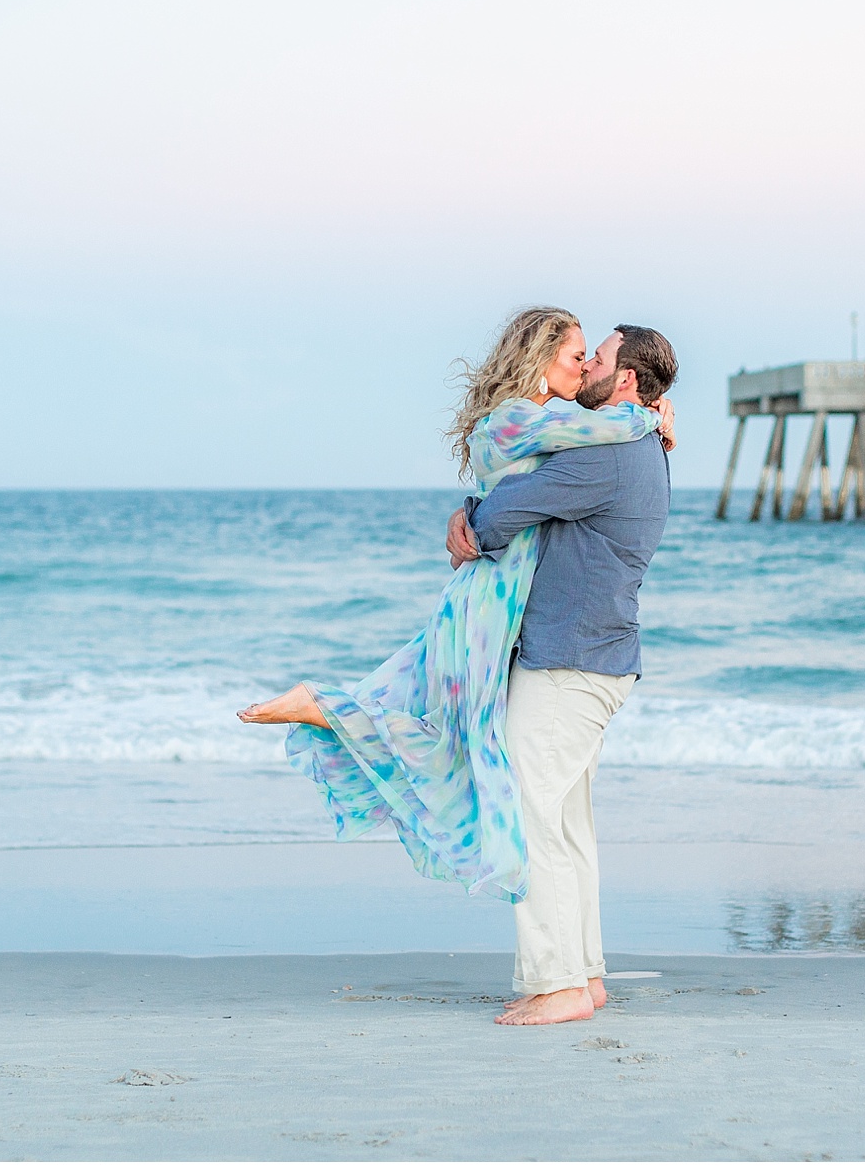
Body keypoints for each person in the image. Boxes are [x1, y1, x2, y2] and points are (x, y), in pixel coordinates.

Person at [236, 307, 673, 907]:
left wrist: (644, 415)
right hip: (489, 598)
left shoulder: (552, 421)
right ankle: (325, 708)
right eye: (578, 356)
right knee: (460, 745)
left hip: (499, 597)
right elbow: (551, 472)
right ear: (541, 361)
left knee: (460, 742)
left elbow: (535, 480)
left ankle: (329, 709)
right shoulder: (526, 421)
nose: (586, 366)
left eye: (593, 358)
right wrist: (647, 417)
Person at [447, 324, 678, 1025]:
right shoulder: (636, 445)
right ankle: (583, 973)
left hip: (570, 662)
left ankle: (560, 984)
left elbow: (518, 504)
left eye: (599, 360)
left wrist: (469, 523)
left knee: (531, 815)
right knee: (568, 822)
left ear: (628, 380)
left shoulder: (609, 456)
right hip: (596, 659)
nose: (588, 371)